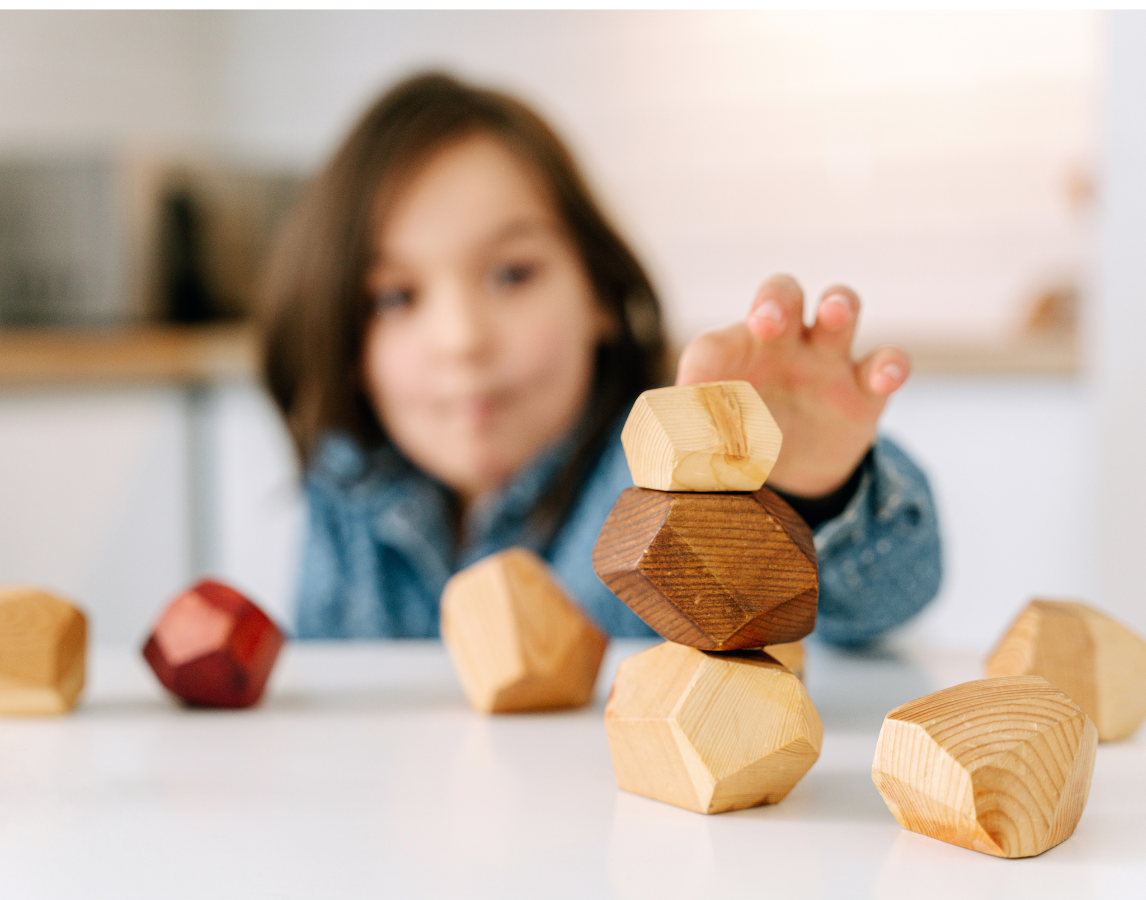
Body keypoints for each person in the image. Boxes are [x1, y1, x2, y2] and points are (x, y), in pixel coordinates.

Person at [260, 72, 941, 647]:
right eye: (395, 297)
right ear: (346, 345)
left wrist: (813, 494)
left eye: (511, 275)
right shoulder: (344, 488)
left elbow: (887, 593)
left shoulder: (659, 476)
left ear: (601, 296)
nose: (461, 338)